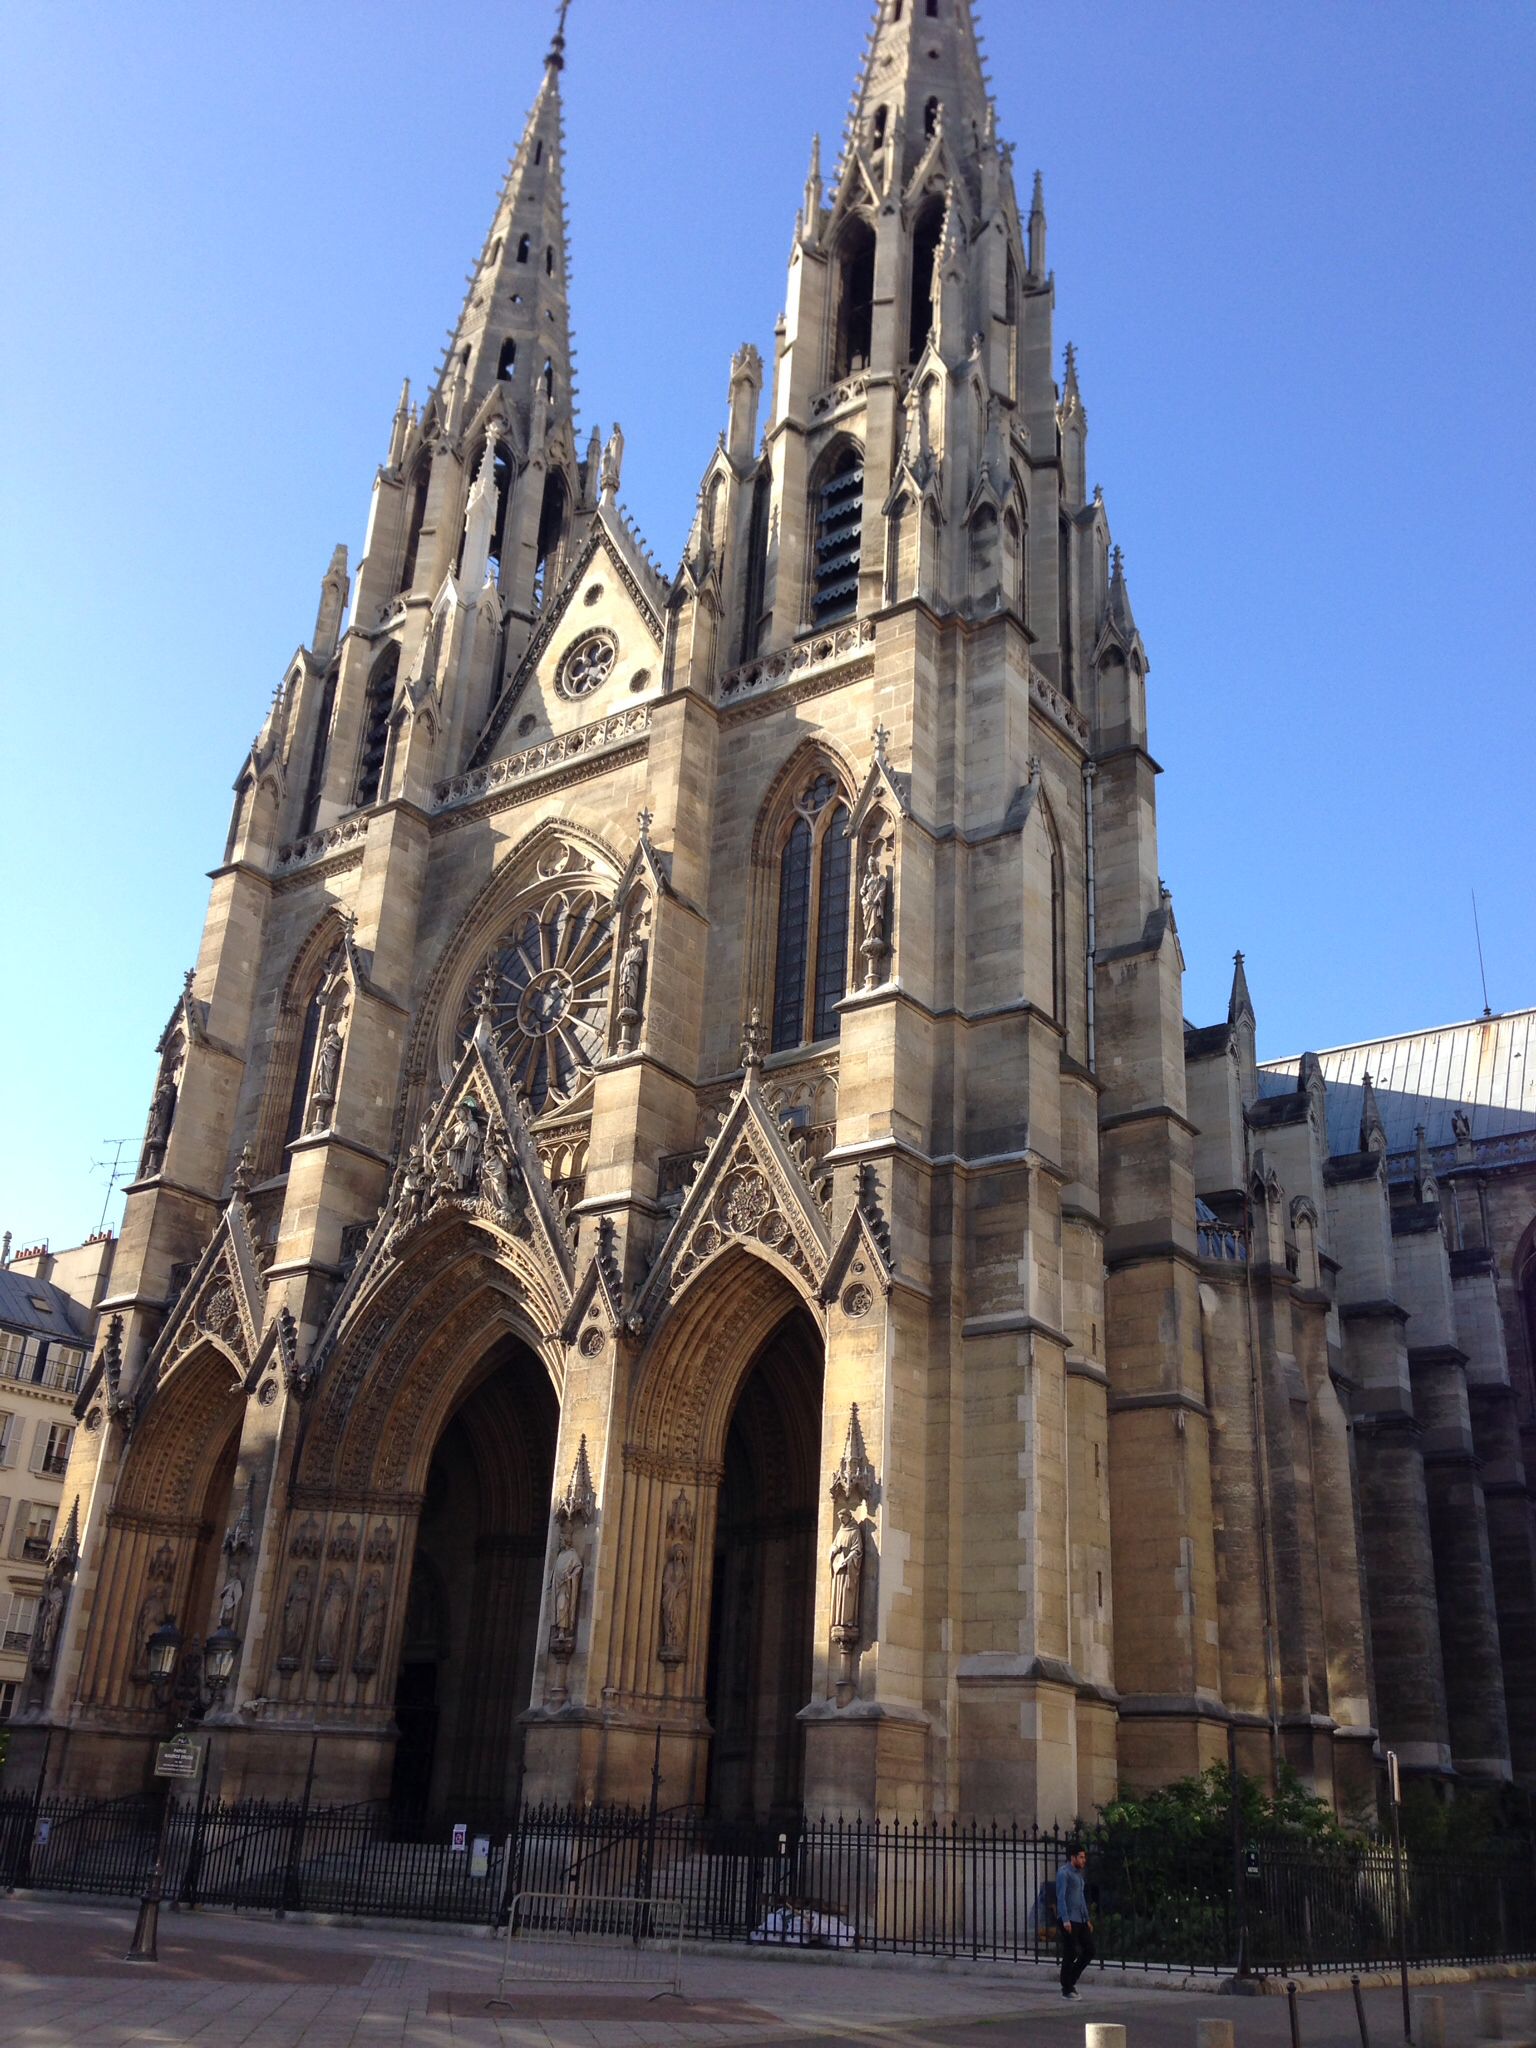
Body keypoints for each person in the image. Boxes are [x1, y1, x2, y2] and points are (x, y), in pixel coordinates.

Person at [1055, 1842, 1093, 1998]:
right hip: (1069, 1919)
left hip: (1081, 1919)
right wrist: (1065, 1920)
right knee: (1071, 1952)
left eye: (1084, 1857)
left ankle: (1071, 1980)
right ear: (1073, 1857)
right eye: (1081, 1857)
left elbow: (1080, 1897)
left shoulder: (1078, 1874)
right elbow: (1061, 1897)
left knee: (1090, 1949)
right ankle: (1067, 1988)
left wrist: (1087, 1919)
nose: (1084, 1860)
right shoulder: (1064, 1873)